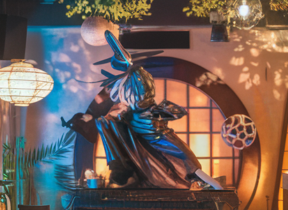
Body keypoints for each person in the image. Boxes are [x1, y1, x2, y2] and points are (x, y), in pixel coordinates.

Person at [69, 30, 223, 190]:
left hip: (160, 139)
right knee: (187, 161)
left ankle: (213, 185)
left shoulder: (144, 109)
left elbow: (167, 116)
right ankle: (124, 174)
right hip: (148, 142)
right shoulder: (126, 114)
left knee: (188, 161)